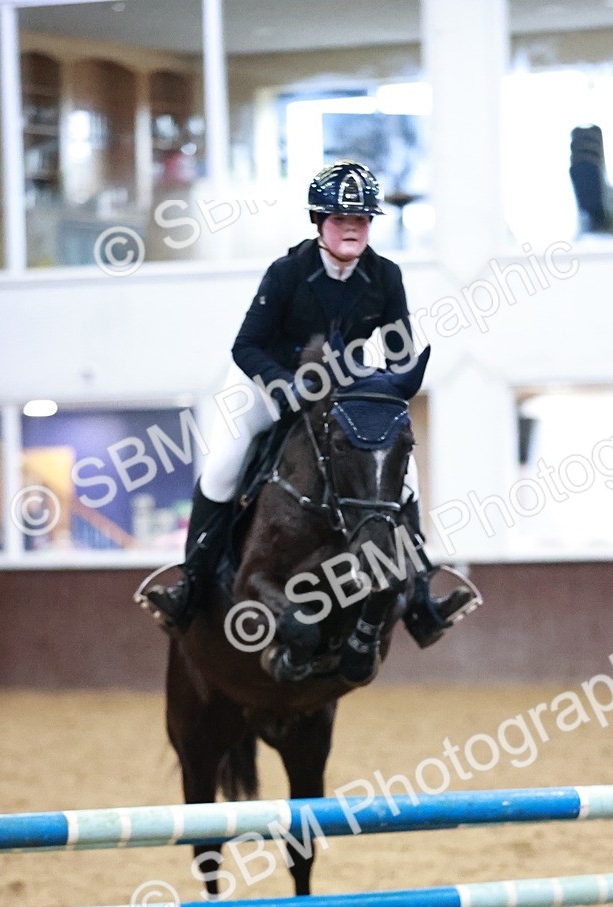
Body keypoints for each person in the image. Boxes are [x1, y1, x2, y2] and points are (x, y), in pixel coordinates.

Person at [145, 160, 474, 646]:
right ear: (319, 222)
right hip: (271, 389)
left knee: (405, 476)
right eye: (341, 220)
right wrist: (286, 385)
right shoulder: (286, 273)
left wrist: (384, 389)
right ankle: (190, 584)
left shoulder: (386, 276)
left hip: (343, 395)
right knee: (222, 467)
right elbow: (246, 347)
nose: (352, 229)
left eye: (360, 220)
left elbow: (399, 352)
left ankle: (420, 595)